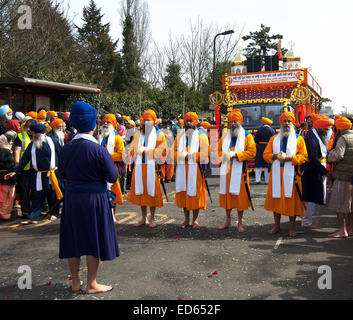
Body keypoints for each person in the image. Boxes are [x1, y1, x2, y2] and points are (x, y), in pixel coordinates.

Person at [58, 101, 119, 294]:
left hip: (72, 198)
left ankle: (75, 282)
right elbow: (112, 176)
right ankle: (91, 283)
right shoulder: (98, 149)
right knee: (94, 240)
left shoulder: (66, 148)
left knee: (73, 239)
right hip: (94, 199)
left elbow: (61, 174)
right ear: (93, 124)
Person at [5, 123, 63, 224]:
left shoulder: (53, 141)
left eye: (34, 133)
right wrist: (15, 172)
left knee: (52, 195)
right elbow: (25, 159)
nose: (33, 135)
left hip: (53, 174)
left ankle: (54, 213)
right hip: (38, 175)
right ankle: (33, 217)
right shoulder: (32, 144)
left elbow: (62, 155)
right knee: (37, 196)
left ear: (39, 133)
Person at [263, 112, 308, 237]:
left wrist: (288, 158)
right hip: (276, 174)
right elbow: (266, 155)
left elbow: (304, 157)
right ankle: (276, 226)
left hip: (292, 174)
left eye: (289, 121)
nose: (286, 123)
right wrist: (275, 156)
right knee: (275, 200)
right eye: (284, 121)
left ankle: (292, 228)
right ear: (280, 123)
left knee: (291, 201)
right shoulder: (273, 139)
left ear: (293, 123)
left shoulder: (299, 139)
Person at [216, 109, 256, 231]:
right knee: (227, 196)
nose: (233, 124)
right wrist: (225, 155)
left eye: (235, 121)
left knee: (240, 198)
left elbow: (252, 152)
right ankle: (227, 221)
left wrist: (237, 155)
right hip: (227, 171)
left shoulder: (247, 136)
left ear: (240, 122)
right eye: (231, 122)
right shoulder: (224, 136)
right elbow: (216, 152)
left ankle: (240, 223)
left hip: (240, 172)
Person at [127, 109, 167, 228]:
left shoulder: (159, 134)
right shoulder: (139, 134)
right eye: (144, 120)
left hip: (153, 169)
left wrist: (146, 151)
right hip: (140, 168)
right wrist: (136, 151)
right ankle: (143, 218)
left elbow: (163, 151)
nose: (146, 123)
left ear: (154, 121)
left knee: (151, 193)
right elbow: (132, 149)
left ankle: (152, 218)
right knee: (141, 193)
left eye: (149, 120)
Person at [173, 112, 209, 229]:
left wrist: (191, 156)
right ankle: (186, 219)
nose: (188, 123)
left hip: (196, 170)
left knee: (195, 194)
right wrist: (181, 156)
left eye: (191, 121)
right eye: (187, 121)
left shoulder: (201, 136)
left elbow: (205, 153)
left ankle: (195, 220)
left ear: (196, 122)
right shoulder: (179, 136)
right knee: (184, 193)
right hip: (182, 169)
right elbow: (172, 153)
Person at [301, 118, 332, 229]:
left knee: (313, 196)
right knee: (311, 197)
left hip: (317, 169)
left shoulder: (317, 135)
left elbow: (324, 151)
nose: (327, 131)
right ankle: (306, 222)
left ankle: (306, 220)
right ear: (318, 128)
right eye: (325, 129)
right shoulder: (311, 137)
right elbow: (312, 158)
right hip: (312, 170)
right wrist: (324, 171)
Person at [327, 116, 353, 238]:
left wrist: (330, 154)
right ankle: (351, 229)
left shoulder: (343, 138)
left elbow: (338, 156)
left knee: (340, 204)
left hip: (343, 176)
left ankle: (342, 230)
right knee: (351, 205)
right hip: (351, 176)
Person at [99, 114, 125, 225]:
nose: (105, 124)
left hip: (112, 169)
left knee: (113, 194)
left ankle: (113, 216)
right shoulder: (99, 137)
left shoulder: (117, 138)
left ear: (113, 124)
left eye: (108, 122)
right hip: (99, 170)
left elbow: (121, 155)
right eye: (104, 122)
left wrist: (106, 155)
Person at [13, 118, 36, 217]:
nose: (28, 129)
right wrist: (17, 163)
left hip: (36, 168)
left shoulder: (38, 136)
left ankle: (34, 209)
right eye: (27, 127)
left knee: (35, 189)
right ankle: (26, 210)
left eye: (30, 128)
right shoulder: (20, 136)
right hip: (24, 168)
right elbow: (17, 150)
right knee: (24, 190)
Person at [0, 133, 16, 220]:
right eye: (10, 141)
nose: (11, 143)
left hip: (2, 177)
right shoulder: (6, 151)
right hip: (7, 177)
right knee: (7, 197)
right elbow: (10, 164)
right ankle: (5, 215)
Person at [254, 117, 276, 184]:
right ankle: (267, 181)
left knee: (258, 165)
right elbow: (273, 140)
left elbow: (256, 140)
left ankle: (257, 180)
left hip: (260, 148)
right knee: (267, 165)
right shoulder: (272, 130)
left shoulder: (259, 130)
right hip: (268, 148)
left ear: (263, 123)